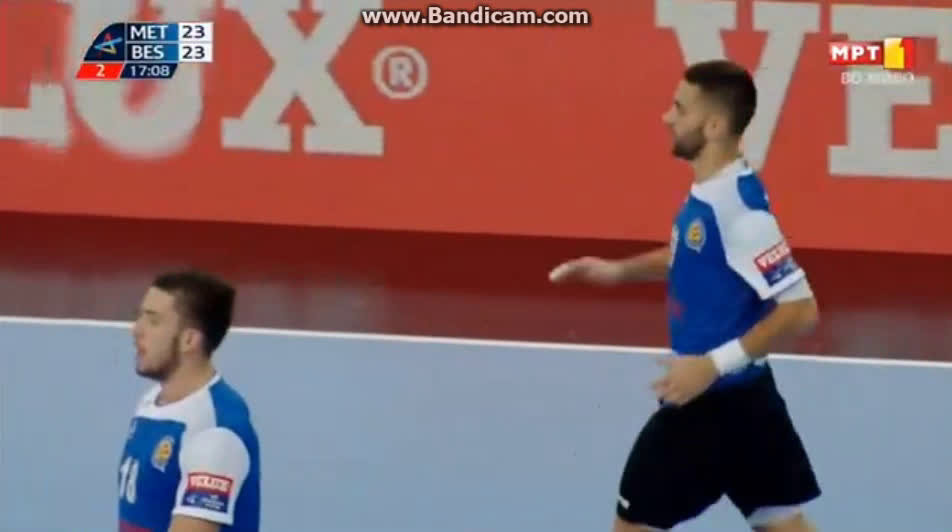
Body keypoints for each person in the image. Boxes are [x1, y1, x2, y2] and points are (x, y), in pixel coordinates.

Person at [549, 60, 822, 532]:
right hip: (751, 405)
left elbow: (802, 311)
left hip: (708, 408)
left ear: (713, 126)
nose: (666, 117)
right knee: (782, 523)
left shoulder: (742, 215)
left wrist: (710, 366)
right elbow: (695, 254)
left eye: (679, 108)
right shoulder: (715, 194)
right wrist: (617, 272)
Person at [119, 270, 260, 532]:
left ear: (189, 340)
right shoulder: (152, 402)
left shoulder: (216, 433)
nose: (136, 330)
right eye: (139, 317)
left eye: (153, 321)